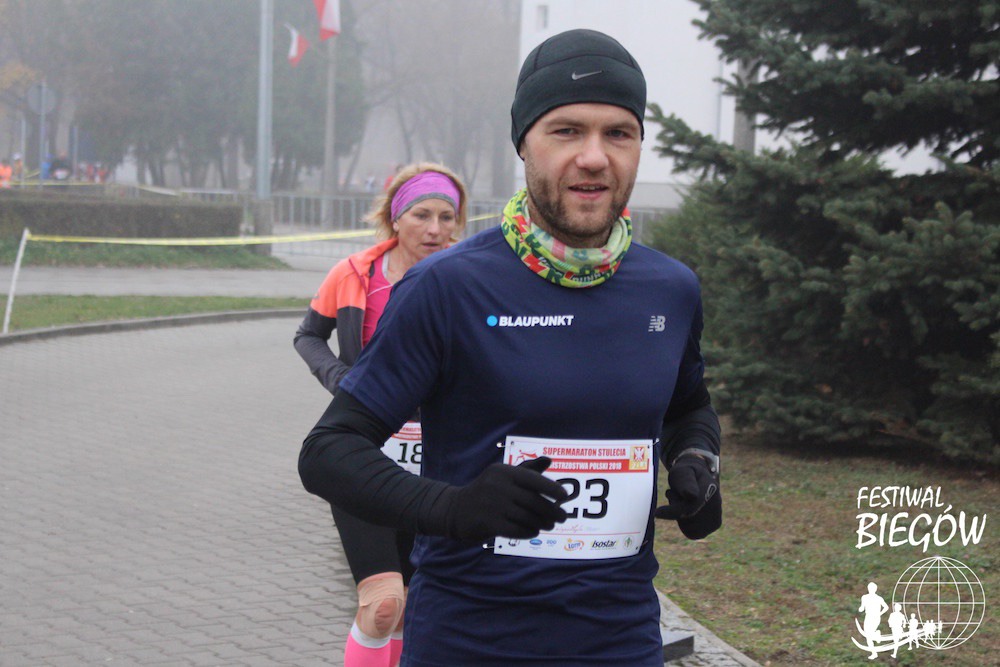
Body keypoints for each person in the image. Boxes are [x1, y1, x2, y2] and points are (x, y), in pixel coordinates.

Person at [300, 29, 722, 666]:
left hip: (620, 639)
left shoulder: (671, 288)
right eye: (566, 131)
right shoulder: (447, 287)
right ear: (523, 142)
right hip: (470, 641)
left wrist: (697, 458)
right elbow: (329, 453)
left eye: (618, 133)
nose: (593, 157)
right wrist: (453, 507)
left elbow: (689, 407)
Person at [294, 162, 467, 667]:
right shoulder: (354, 274)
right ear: (395, 217)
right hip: (363, 454)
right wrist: (340, 377)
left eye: (447, 217)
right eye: (422, 215)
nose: (434, 229)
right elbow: (308, 335)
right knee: (383, 604)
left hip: (437, 464)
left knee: (416, 603)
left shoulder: (468, 278)